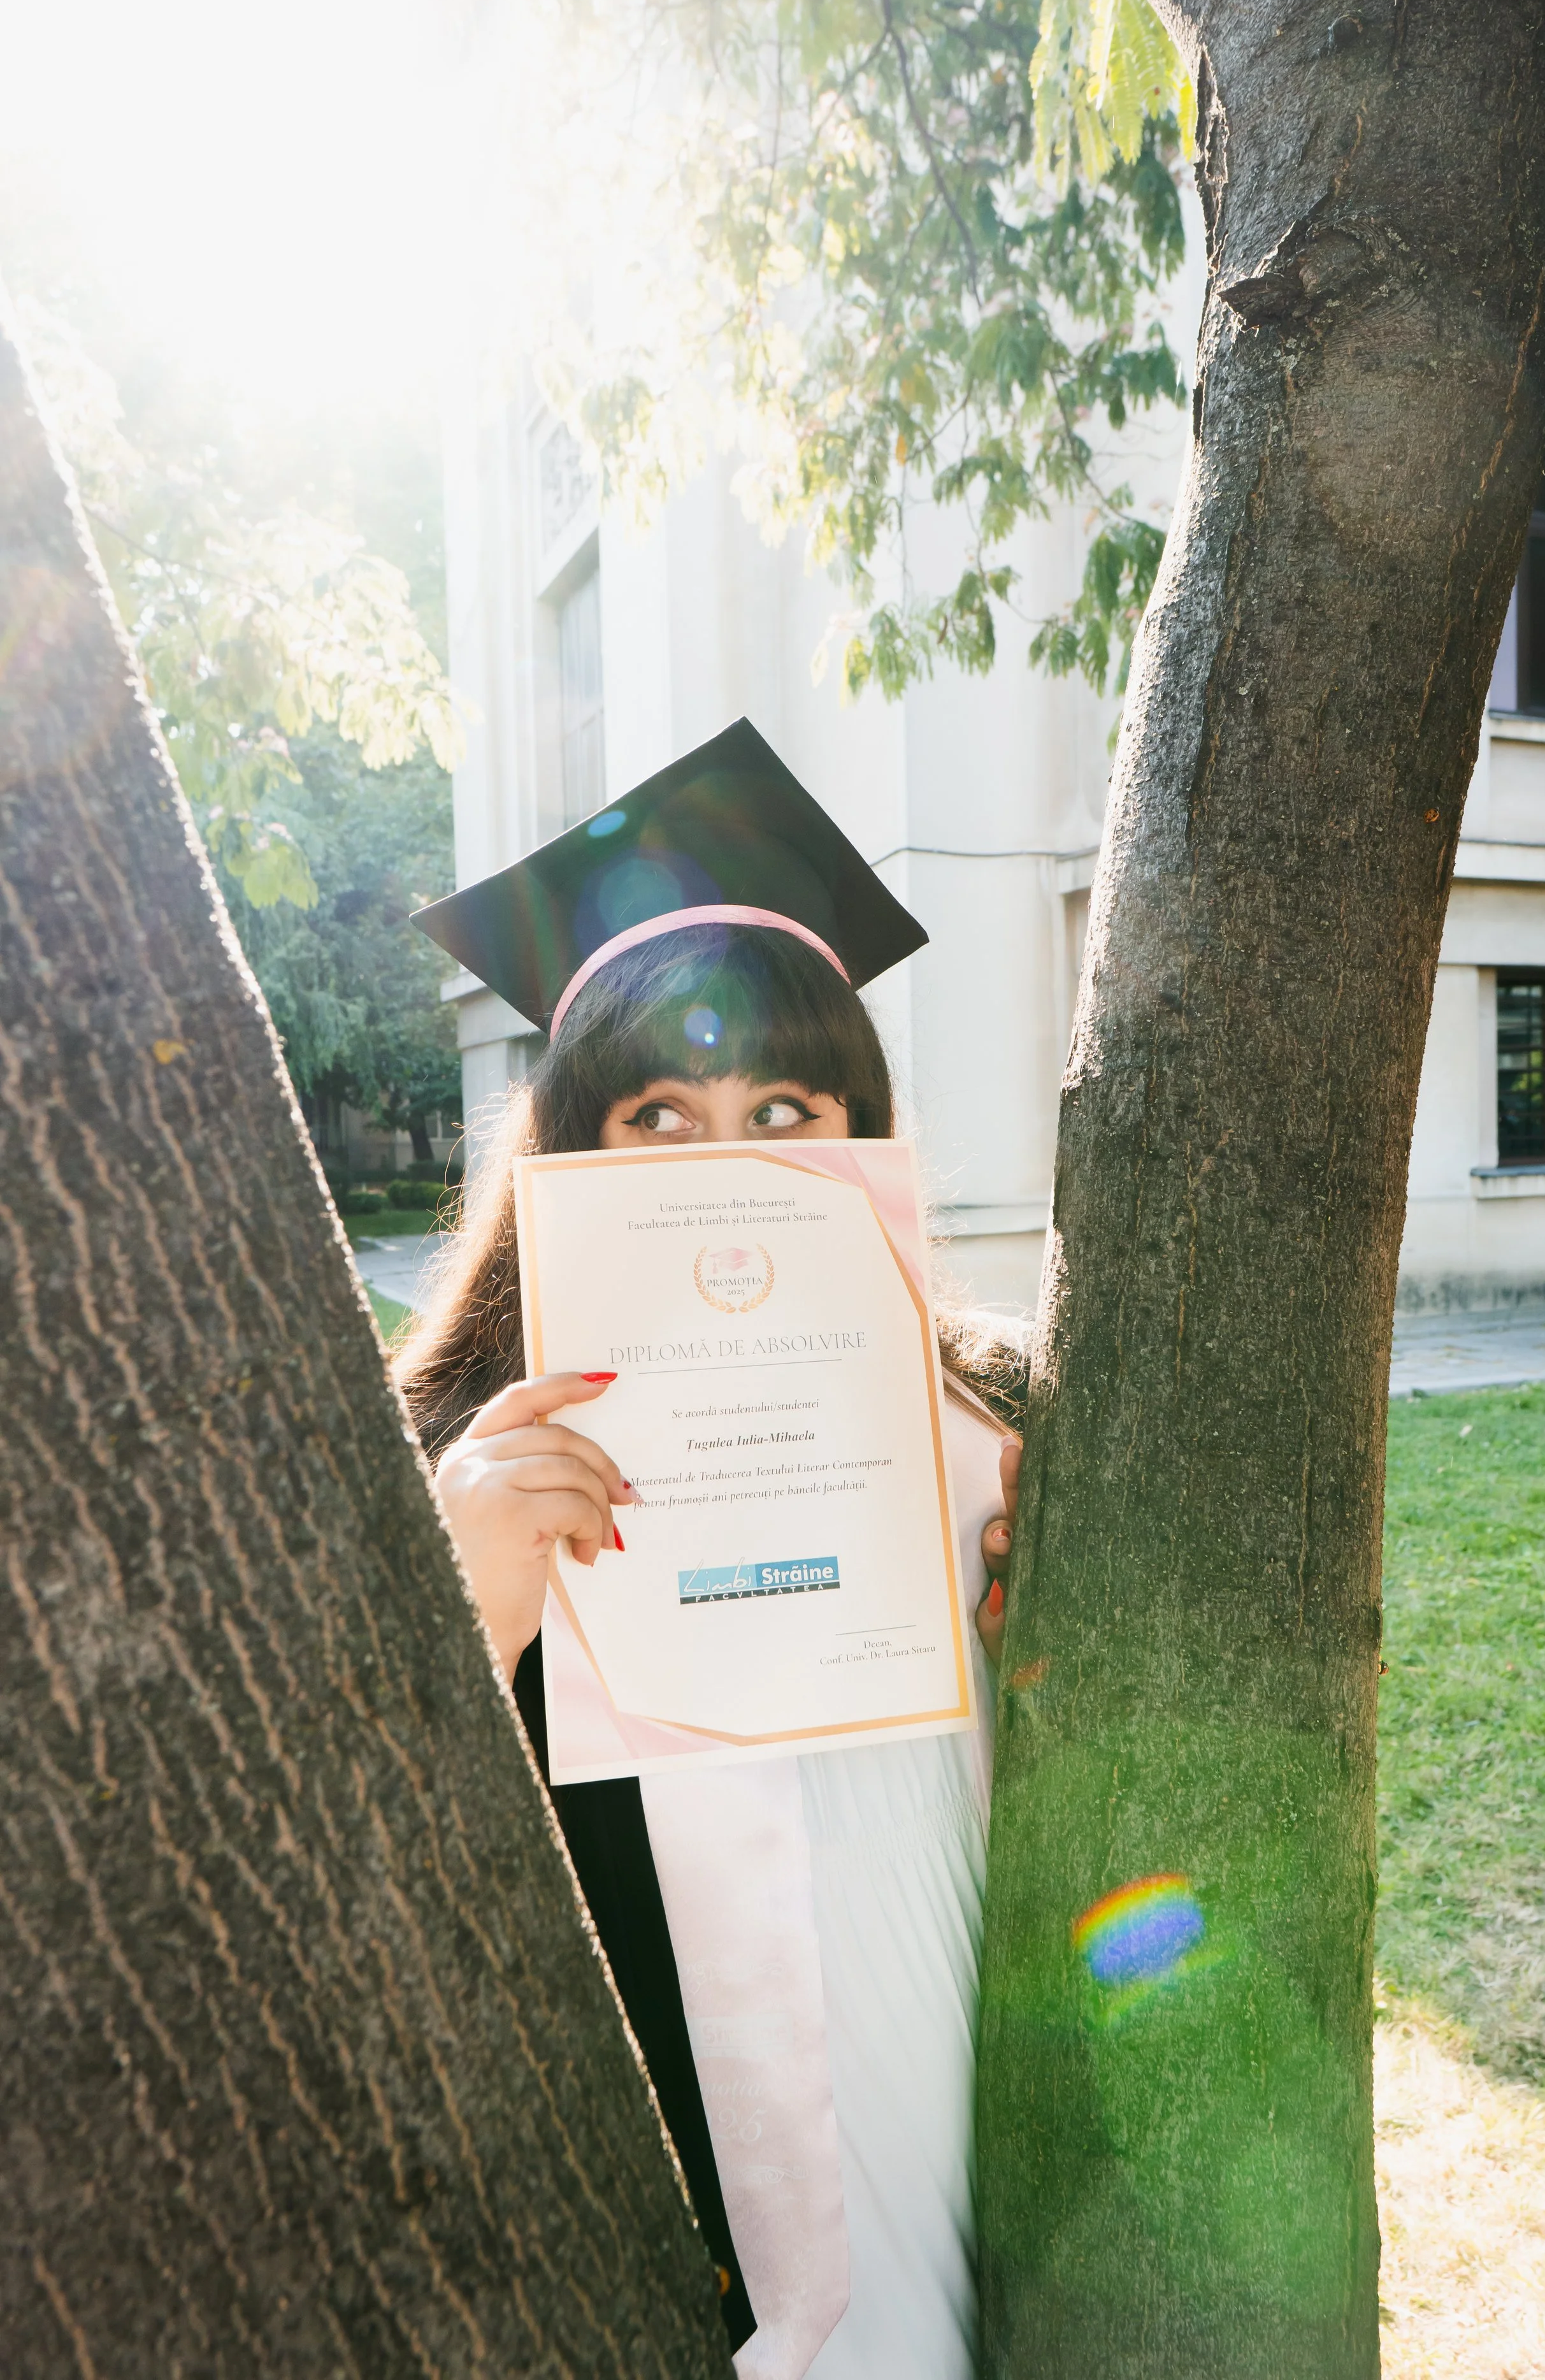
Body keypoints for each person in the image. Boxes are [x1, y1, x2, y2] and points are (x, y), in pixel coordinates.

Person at [397, 719, 1026, 2379]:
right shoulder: (454, 1453)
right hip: (687, 2173)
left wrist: (1048, 1596)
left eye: (782, 1102)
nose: (728, 1153)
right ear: (567, 1149)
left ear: (855, 1127)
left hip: (953, 2071)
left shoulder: (983, 1423)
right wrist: (470, 1605)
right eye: (656, 1112)